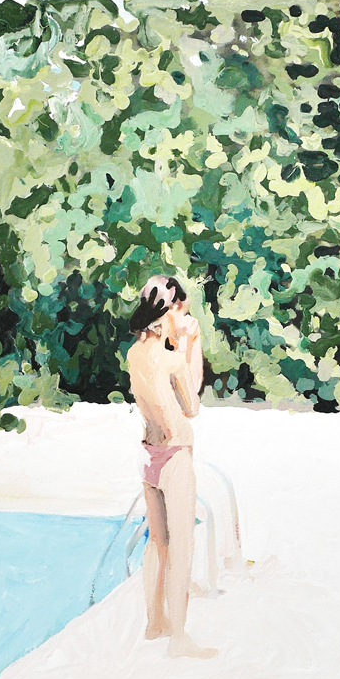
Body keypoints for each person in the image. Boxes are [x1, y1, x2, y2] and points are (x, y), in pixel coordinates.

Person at [127, 275, 217, 658]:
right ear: (170, 310)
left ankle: (155, 622)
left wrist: (175, 341)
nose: (186, 317)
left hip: (149, 454)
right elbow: (191, 406)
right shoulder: (173, 358)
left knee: (157, 542)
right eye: (182, 309)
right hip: (176, 453)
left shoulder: (135, 354)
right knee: (182, 545)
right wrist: (192, 344)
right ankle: (179, 637)